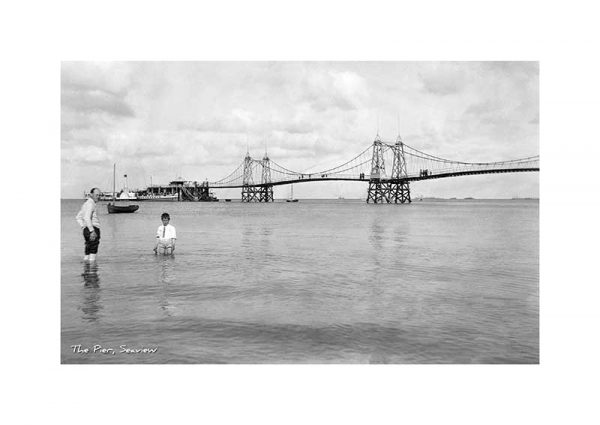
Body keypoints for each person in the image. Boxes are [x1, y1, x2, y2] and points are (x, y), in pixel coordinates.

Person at [76, 188, 101, 262]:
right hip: (92, 229)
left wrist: (84, 227)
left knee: (88, 250)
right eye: (96, 195)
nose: (98, 197)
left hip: (86, 230)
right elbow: (87, 217)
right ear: (91, 195)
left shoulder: (85, 204)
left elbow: (78, 217)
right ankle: (92, 271)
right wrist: (92, 231)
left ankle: (86, 270)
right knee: (93, 250)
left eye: (99, 195)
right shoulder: (91, 204)